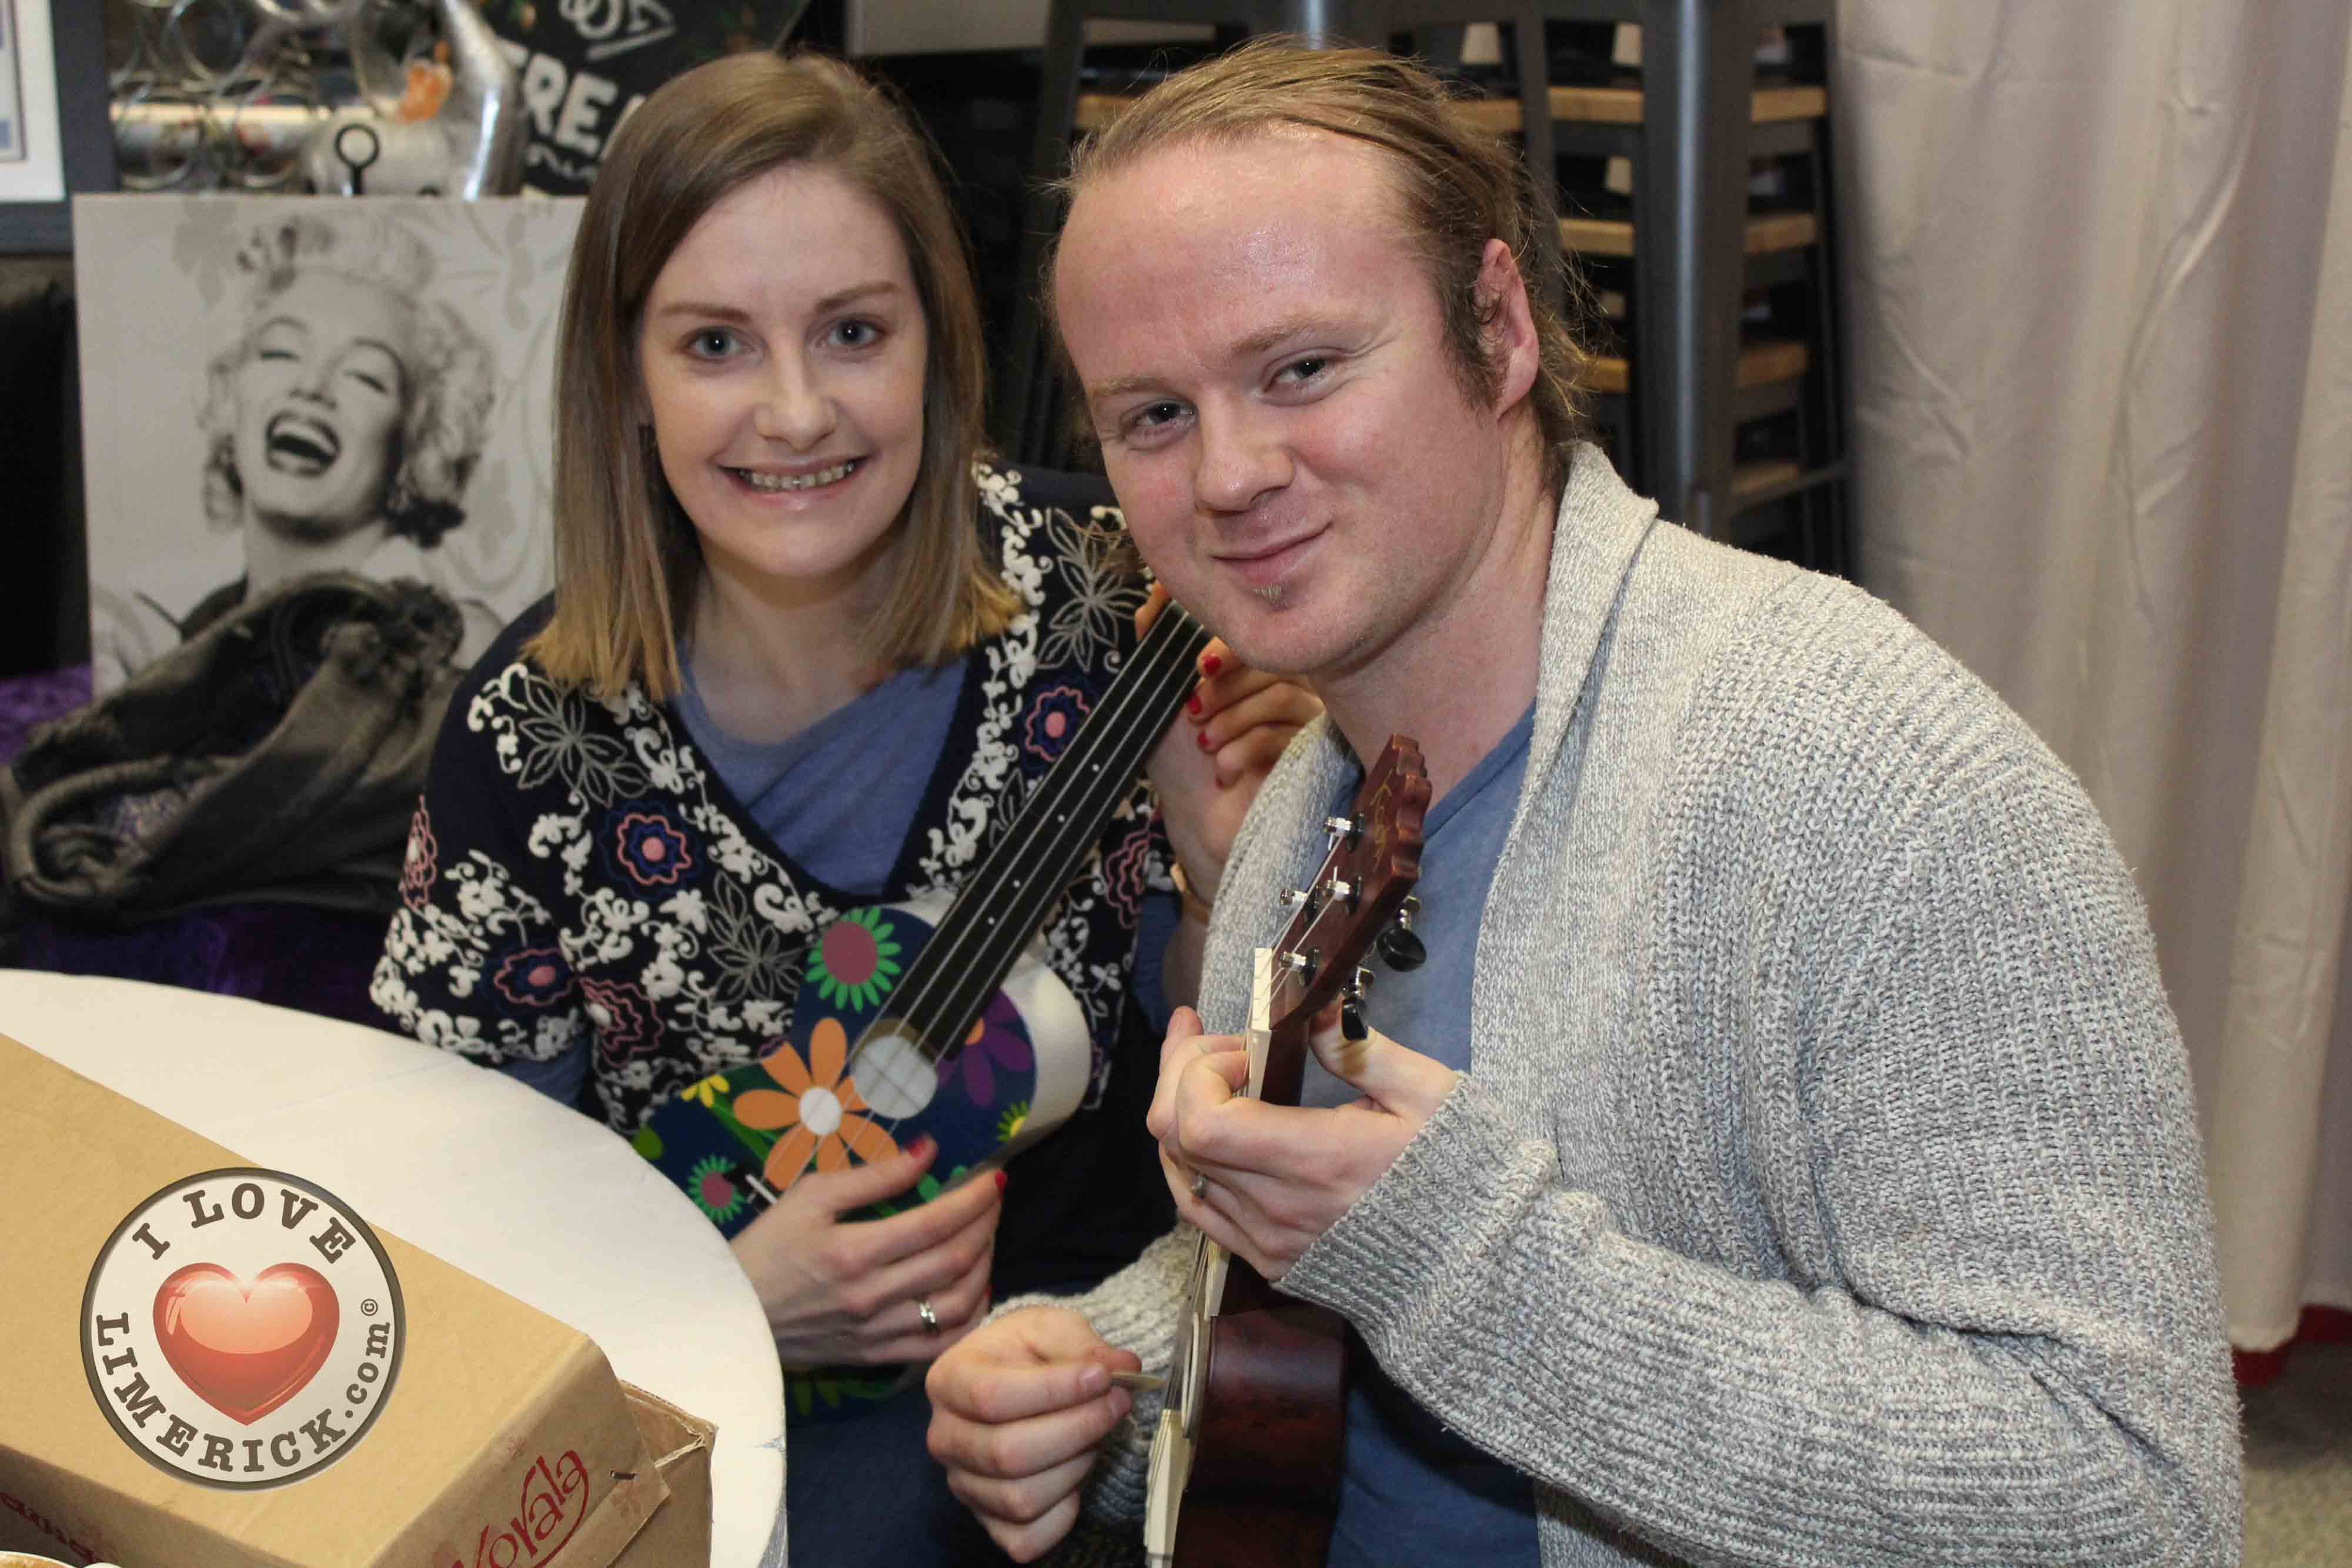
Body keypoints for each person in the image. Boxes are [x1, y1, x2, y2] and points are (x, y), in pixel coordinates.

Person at [923, 40, 2241, 1568]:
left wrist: (1477, 1266)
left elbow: (2132, 1505)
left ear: (1498, 328)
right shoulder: (1311, 803)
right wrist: (1106, 1362)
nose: (1228, 473)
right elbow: (1318, 1280)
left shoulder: (1885, 789)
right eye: (1152, 414)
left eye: (1301, 368)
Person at [368, 49, 1315, 1567]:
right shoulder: (530, 746)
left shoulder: (1113, 606)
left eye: (854, 332)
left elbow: (1237, 1104)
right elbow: (443, 1260)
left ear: (939, 349)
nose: (795, 410)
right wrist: (731, 1292)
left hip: (1075, 1346)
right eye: (717, 343)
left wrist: (1219, 872)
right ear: (626, 378)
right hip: (680, 1377)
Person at [96, 213, 503, 685]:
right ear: (230, 398)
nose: (311, 386)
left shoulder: (452, 650)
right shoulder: (172, 642)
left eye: (365, 376)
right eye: (280, 353)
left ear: (418, 449)